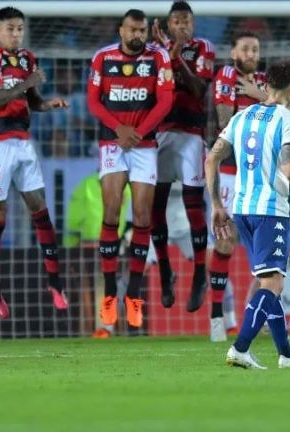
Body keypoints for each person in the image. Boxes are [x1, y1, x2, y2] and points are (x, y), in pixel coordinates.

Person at [205, 61, 290, 369]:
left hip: (242, 209)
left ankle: (286, 354)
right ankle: (241, 348)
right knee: (271, 285)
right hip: (271, 210)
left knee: (270, 282)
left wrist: (217, 204)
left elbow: (212, 158)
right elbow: (289, 168)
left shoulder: (242, 115)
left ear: (266, 84)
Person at [0, 7, 71, 318]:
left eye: (19, 29)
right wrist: (27, 83)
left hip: (23, 141)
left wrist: (47, 104)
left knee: (40, 210)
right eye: (10, 29)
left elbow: (31, 101)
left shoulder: (27, 58)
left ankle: (55, 282)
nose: (16, 34)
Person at [87, 9, 175, 332]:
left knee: (142, 216)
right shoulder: (102, 58)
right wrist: (119, 129)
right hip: (112, 142)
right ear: (121, 30)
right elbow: (94, 102)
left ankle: (133, 296)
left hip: (144, 145)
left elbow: (164, 102)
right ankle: (110, 293)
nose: (138, 36)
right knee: (111, 209)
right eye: (132, 30)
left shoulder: (159, 57)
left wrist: (137, 133)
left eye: (142, 31)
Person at [150, 0, 215, 312]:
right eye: (176, 21)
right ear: (167, 25)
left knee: (194, 208)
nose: (183, 26)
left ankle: (200, 272)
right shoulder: (153, 52)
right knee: (155, 208)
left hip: (191, 134)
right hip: (160, 133)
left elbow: (200, 89)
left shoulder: (203, 48)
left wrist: (177, 61)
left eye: (187, 21)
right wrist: (165, 58)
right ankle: (165, 271)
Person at [208, 31, 268, 342]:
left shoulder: (264, 80)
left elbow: (289, 116)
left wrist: (261, 97)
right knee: (225, 242)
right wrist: (264, 106)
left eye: (255, 48)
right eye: (245, 48)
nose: (250, 53)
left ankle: (264, 313)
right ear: (233, 52)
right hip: (232, 171)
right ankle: (217, 316)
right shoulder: (226, 75)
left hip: (262, 174)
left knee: (265, 247)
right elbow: (224, 122)